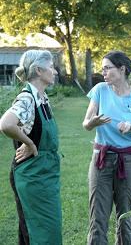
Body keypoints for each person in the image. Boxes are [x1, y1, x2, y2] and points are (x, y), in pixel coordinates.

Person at [83, 50, 131, 244]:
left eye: (107, 68)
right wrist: (93, 122)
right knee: (98, 217)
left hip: (129, 161)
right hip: (101, 160)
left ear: (122, 69)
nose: (103, 72)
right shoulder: (100, 90)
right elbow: (86, 123)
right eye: (102, 69)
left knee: (126, 218)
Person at [0, 50, 61, 244]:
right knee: (36, 230)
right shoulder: (27, 98)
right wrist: (29, 142)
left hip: (45, 173)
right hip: (32, 174)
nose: (55, 71)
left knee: (48, 228)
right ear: (38, 70)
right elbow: (6, 124)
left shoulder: (42, 98)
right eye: (51, 66)